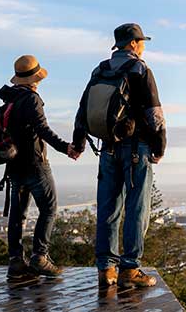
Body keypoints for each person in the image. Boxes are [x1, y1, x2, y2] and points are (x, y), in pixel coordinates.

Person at [71, 23, 167, 288]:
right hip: (137, 150)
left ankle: (106, 269)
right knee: (137, 209)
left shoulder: (100, 70)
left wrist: (78, 143)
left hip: (107, 148)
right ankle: (130, 268)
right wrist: (159, 147)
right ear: (134, 44)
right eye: (142, 42)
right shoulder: (141, 69)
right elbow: (154, 115)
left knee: (108, 208)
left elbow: (83, 109)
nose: (143, 46)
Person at [1, 55, 77, 280]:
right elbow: (42, 129)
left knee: (18, 214)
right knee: (49, 209)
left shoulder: (10, 99)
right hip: (35, 165)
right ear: (35, 79)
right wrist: (67, 148)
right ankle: (40, 257)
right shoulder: (31, 99)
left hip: (14, 166)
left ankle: (16, 261)